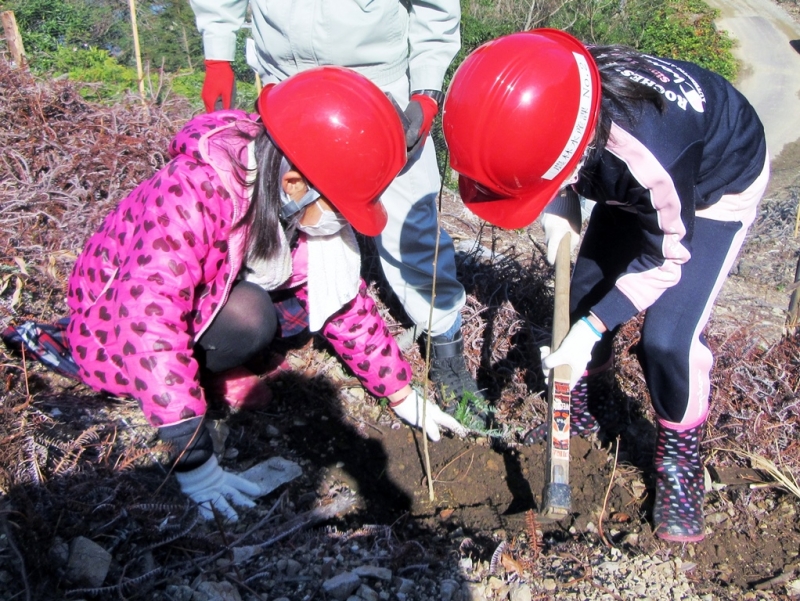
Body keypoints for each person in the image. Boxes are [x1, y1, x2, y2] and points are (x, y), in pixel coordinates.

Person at [3, 67, 465, 523]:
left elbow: (344, 303)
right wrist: (194, 460)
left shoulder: (279, 184)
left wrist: (403, 394)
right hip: (116, 329)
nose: (340, 223)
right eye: (339, 209)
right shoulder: (194, 191)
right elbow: (148, 318)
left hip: (204, 296)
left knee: (306, 298)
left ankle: (214, 367)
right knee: (251, 318)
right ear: (294, 184)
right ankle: (201, 380)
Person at [441, 29, 769, 543]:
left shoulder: (647, 156)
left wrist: (593, 327)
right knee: (583, 293)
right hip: (625, 177)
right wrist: (558, 207)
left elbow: (665, 257)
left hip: (710, 188)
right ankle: (585, 401)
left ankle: (680, 454)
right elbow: (540, 162)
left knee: (668, 342)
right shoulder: (551, 85)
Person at [187, 0, 487, 421]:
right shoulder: (190, 192)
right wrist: (218, 49)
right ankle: (263, 325)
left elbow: (435, 10)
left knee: (409, 224)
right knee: (277, 217)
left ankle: (444, 341)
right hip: (284, 84)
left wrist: (426, 91)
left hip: (374, 84)